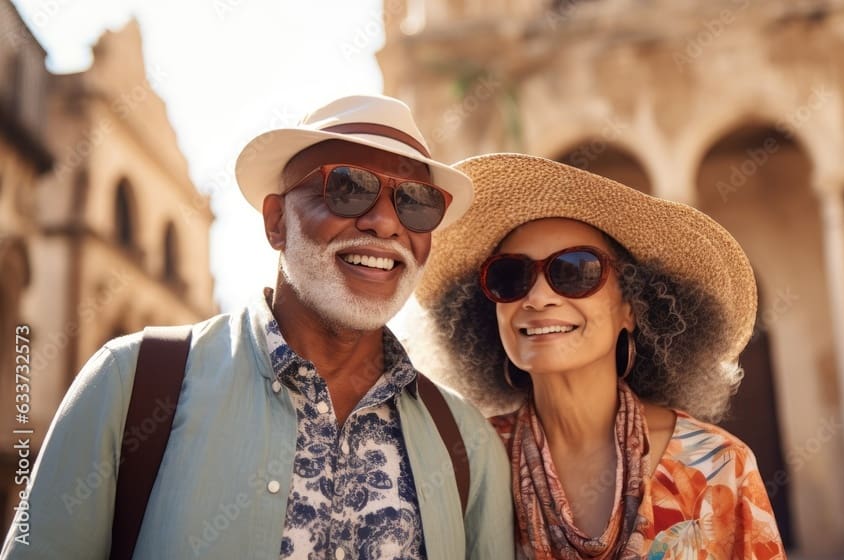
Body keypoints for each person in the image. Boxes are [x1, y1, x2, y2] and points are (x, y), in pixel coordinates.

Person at [1, 95, 514, 559]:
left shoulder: (469, 443)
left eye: (416, 202)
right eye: (348, 187)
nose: (386, 222)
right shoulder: (129, 382)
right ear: (276, 221)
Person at [416, 153, 785, 559]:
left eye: (575, 271)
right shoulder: (465, 465)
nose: (538, 298)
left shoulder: (718, 466)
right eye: (511, 276)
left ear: (632, 307)